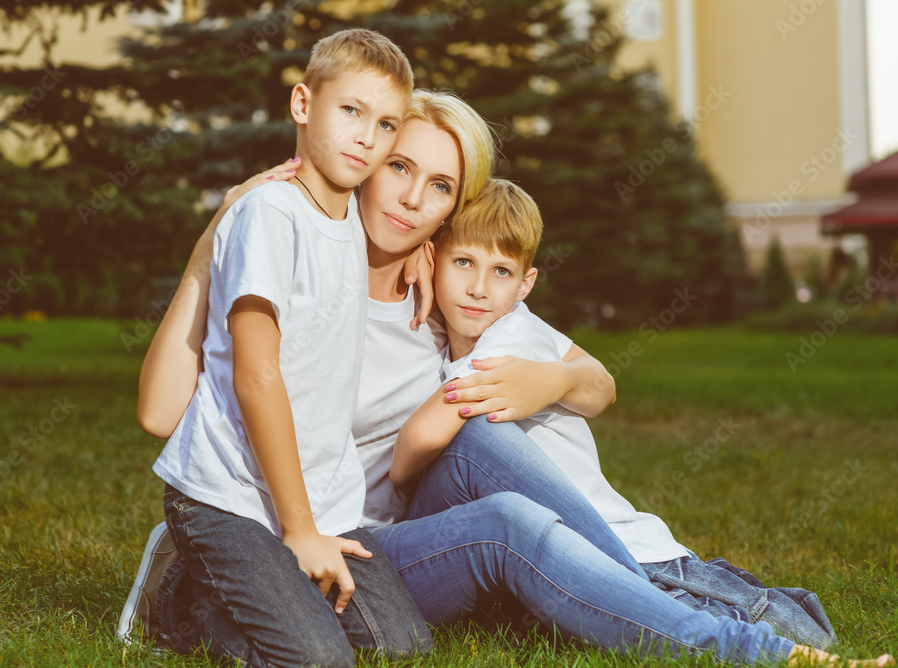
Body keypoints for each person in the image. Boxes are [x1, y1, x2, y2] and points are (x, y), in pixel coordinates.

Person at [126, 84, 893, 665]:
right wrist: (215, 239)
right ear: (366, 158)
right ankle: (735, 646)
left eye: (440, 189)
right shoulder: (294, 259)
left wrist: (549, 383)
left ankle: (656, 593)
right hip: (318, 539)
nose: (409, 201)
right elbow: (163, 412)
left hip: (395, 532)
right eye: (398, 167)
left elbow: (596, 380)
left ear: (456, 208)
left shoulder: (450, 294)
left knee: (475, 432)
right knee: (508, 519)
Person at [390, 179, 838, 648]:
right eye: (463, 262)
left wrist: (398, 484)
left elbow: (422, 439)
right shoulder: (508, 331)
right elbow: (600, 382)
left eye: (501, 272)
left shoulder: (506, 341)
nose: (478, 288)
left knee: (469, 432)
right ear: (434, 256)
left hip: (615, 548)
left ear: (526, 285)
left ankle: (679, 616)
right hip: (595, 540)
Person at [130, 28, 434, 667]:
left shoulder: (351, 215)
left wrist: (426, 252)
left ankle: (255, 579)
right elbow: (257, 377)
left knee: (401, 645)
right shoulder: (271, 213)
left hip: (320, 499)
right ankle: (182, 599)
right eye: (350, 111)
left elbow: (426, 211)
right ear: (303, 104)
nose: (366, 137)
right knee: (320, 662)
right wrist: (298, 531)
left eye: (385, 125)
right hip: (228, 494)